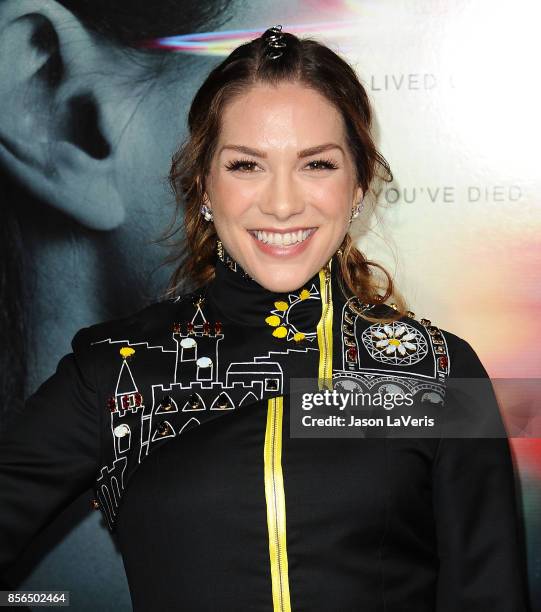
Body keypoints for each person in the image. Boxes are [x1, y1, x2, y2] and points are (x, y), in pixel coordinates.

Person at [0, 25, 530, 611]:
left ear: (358, 185)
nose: (282, 203)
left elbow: (490, 594)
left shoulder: (436, 371)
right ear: (204, 184)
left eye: (317, 165)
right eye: (247, 165)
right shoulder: (113, 372)